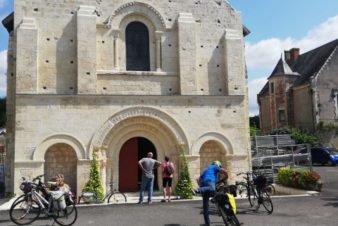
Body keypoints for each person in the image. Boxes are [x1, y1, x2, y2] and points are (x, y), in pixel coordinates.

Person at [198, 160, 228, 226]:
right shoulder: (214, 166)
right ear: (218, 165)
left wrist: (201, 185)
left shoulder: (206, 169)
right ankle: (228, 216)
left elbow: (198, 179)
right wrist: (226, 176)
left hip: (204, 186)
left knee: (205, 207)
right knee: (216, 193)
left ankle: (207, 224)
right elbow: (224, 171)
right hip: (209, 183)